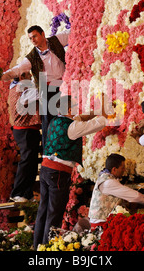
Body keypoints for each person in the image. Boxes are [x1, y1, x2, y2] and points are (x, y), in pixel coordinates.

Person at [33, 95, 111, 249]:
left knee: (43, 211)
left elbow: (80, 118)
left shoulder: (56, 120)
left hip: (46, 170)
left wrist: (93, 111)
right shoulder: (72, 127)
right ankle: (47, 249)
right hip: (58, 173)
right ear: (69, 109)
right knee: (54, 213)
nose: (77, 110)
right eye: (75, 107)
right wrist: (104, 107)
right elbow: (99, 123)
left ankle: (37, 247)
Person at [0, 25, 70, 148]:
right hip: (48, 90)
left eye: (35, 36)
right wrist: (1, 76)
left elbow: (71, 33)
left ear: (43, 34)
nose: (33, 40)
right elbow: (17, 70)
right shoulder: (31, 57)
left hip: (64, 86)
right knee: (48, 123)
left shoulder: (56, 40)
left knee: (67, 118)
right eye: (31, 38)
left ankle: (64, 148)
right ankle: (48, 153)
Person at [88, 154, 144, 228]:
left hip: (102, 222)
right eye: (122, 168)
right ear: (114, 169)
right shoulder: (109, 182)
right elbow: (134, 196)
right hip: (101, 224)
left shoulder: (105, 178)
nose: (124, 170)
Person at [7, 72, 41, 202]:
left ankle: (26, 193)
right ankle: (17, 192)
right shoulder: (21, 89)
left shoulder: (20, 88)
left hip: (29, 129)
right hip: (25, 130)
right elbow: (39, 91)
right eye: (28, 76)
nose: (31, 78)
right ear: (21, 77)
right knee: (27, 161)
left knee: (31, 162)